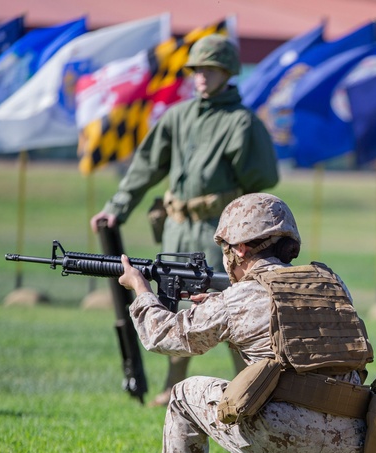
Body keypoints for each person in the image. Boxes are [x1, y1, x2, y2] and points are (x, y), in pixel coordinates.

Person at [113, 193, 376, 453]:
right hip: (355, 440)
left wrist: (140, 289)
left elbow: (164, 336)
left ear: (241, 248)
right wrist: (220, 305)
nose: (225, 257)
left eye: (227, 248)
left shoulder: (239, 297)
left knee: (182, 395)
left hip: (284, 432)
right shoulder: (332, 282)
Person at [90, 34, 280, 406]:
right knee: (171, 303)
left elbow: (264, 178)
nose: (201, 77)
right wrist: (117, 206)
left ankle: (253, 387)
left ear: (228, 72)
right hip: (175, 228)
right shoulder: (177, 116)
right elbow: (146, 166)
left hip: (219, 232)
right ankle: (172, 383)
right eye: (196, 70)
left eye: (209, 69)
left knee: (228, 308)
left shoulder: (242, 122)